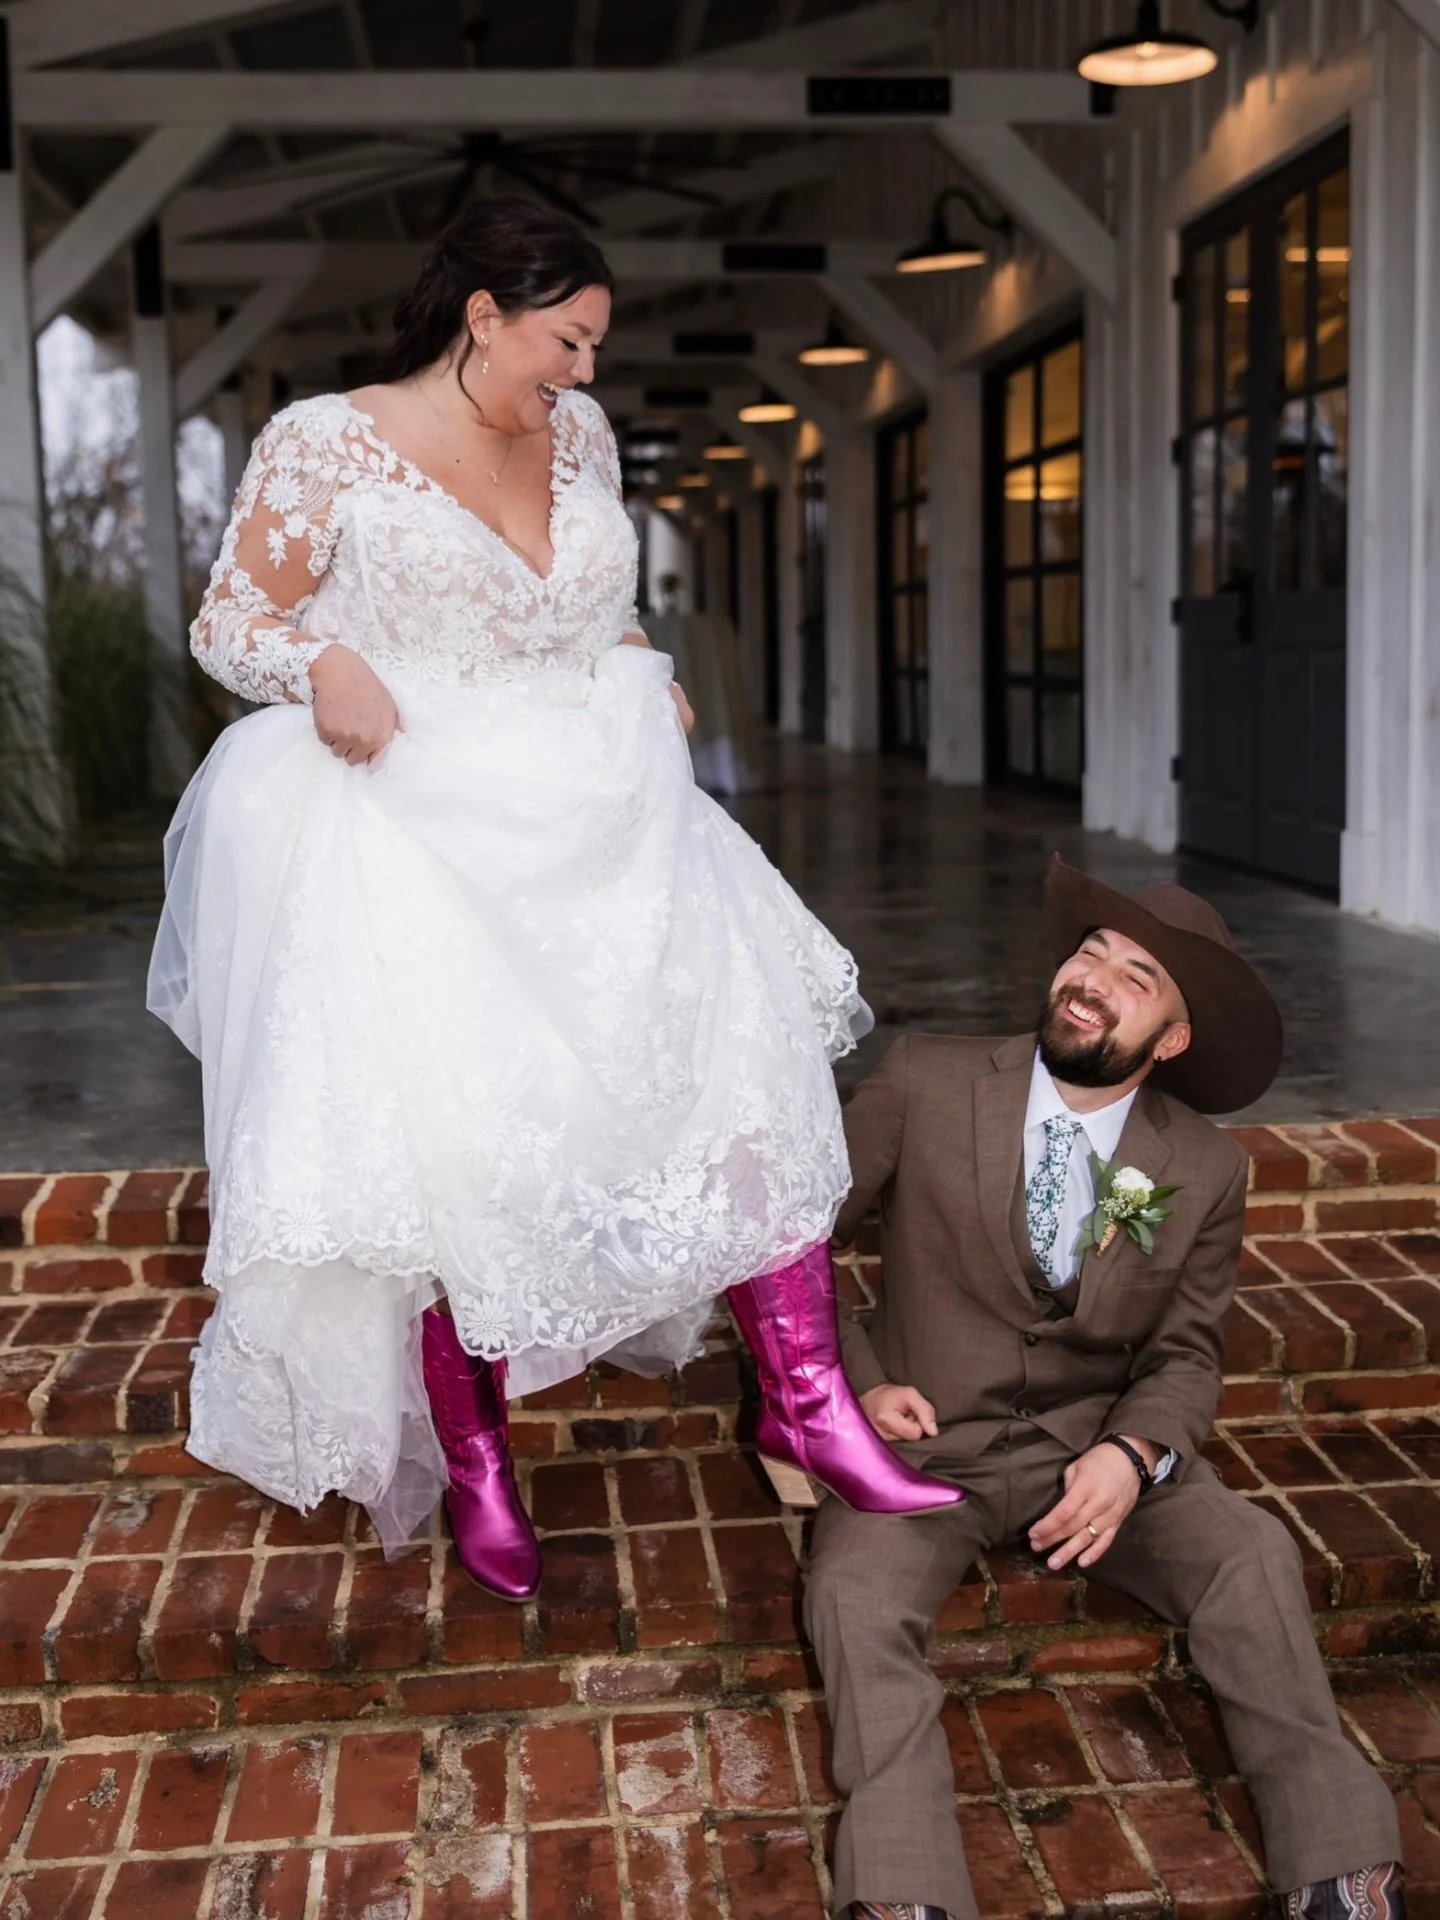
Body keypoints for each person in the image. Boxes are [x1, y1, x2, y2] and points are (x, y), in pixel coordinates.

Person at [148, 196, 958, 1605]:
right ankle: (476, 1464)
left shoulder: (575, 436)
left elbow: (579, 606)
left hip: (613, 816)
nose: (585, 374)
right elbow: (232, 618)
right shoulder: (326, 440)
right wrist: (320, 666)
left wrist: (643, 652)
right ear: (483, 316)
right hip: (423, 827)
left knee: (740, 1076)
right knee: (459, 1141)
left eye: (594, 347)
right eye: (568, 341)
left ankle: (809, 1401)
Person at [805, 854, 1404, 1920]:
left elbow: (1186, 1352)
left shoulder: (1204, 1166)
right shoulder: (925, 1080)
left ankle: (1340, 1873)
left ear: (1171, 1039)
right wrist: (861, 1384)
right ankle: (905, 1898)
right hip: (921, 1448)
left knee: (1253, 1553)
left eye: (1136, 978)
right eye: (1091, 953)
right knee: (854, 1597)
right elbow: (794, 1251)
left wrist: (1133, 1456)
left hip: (1091, 1454)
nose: (1094, 980)